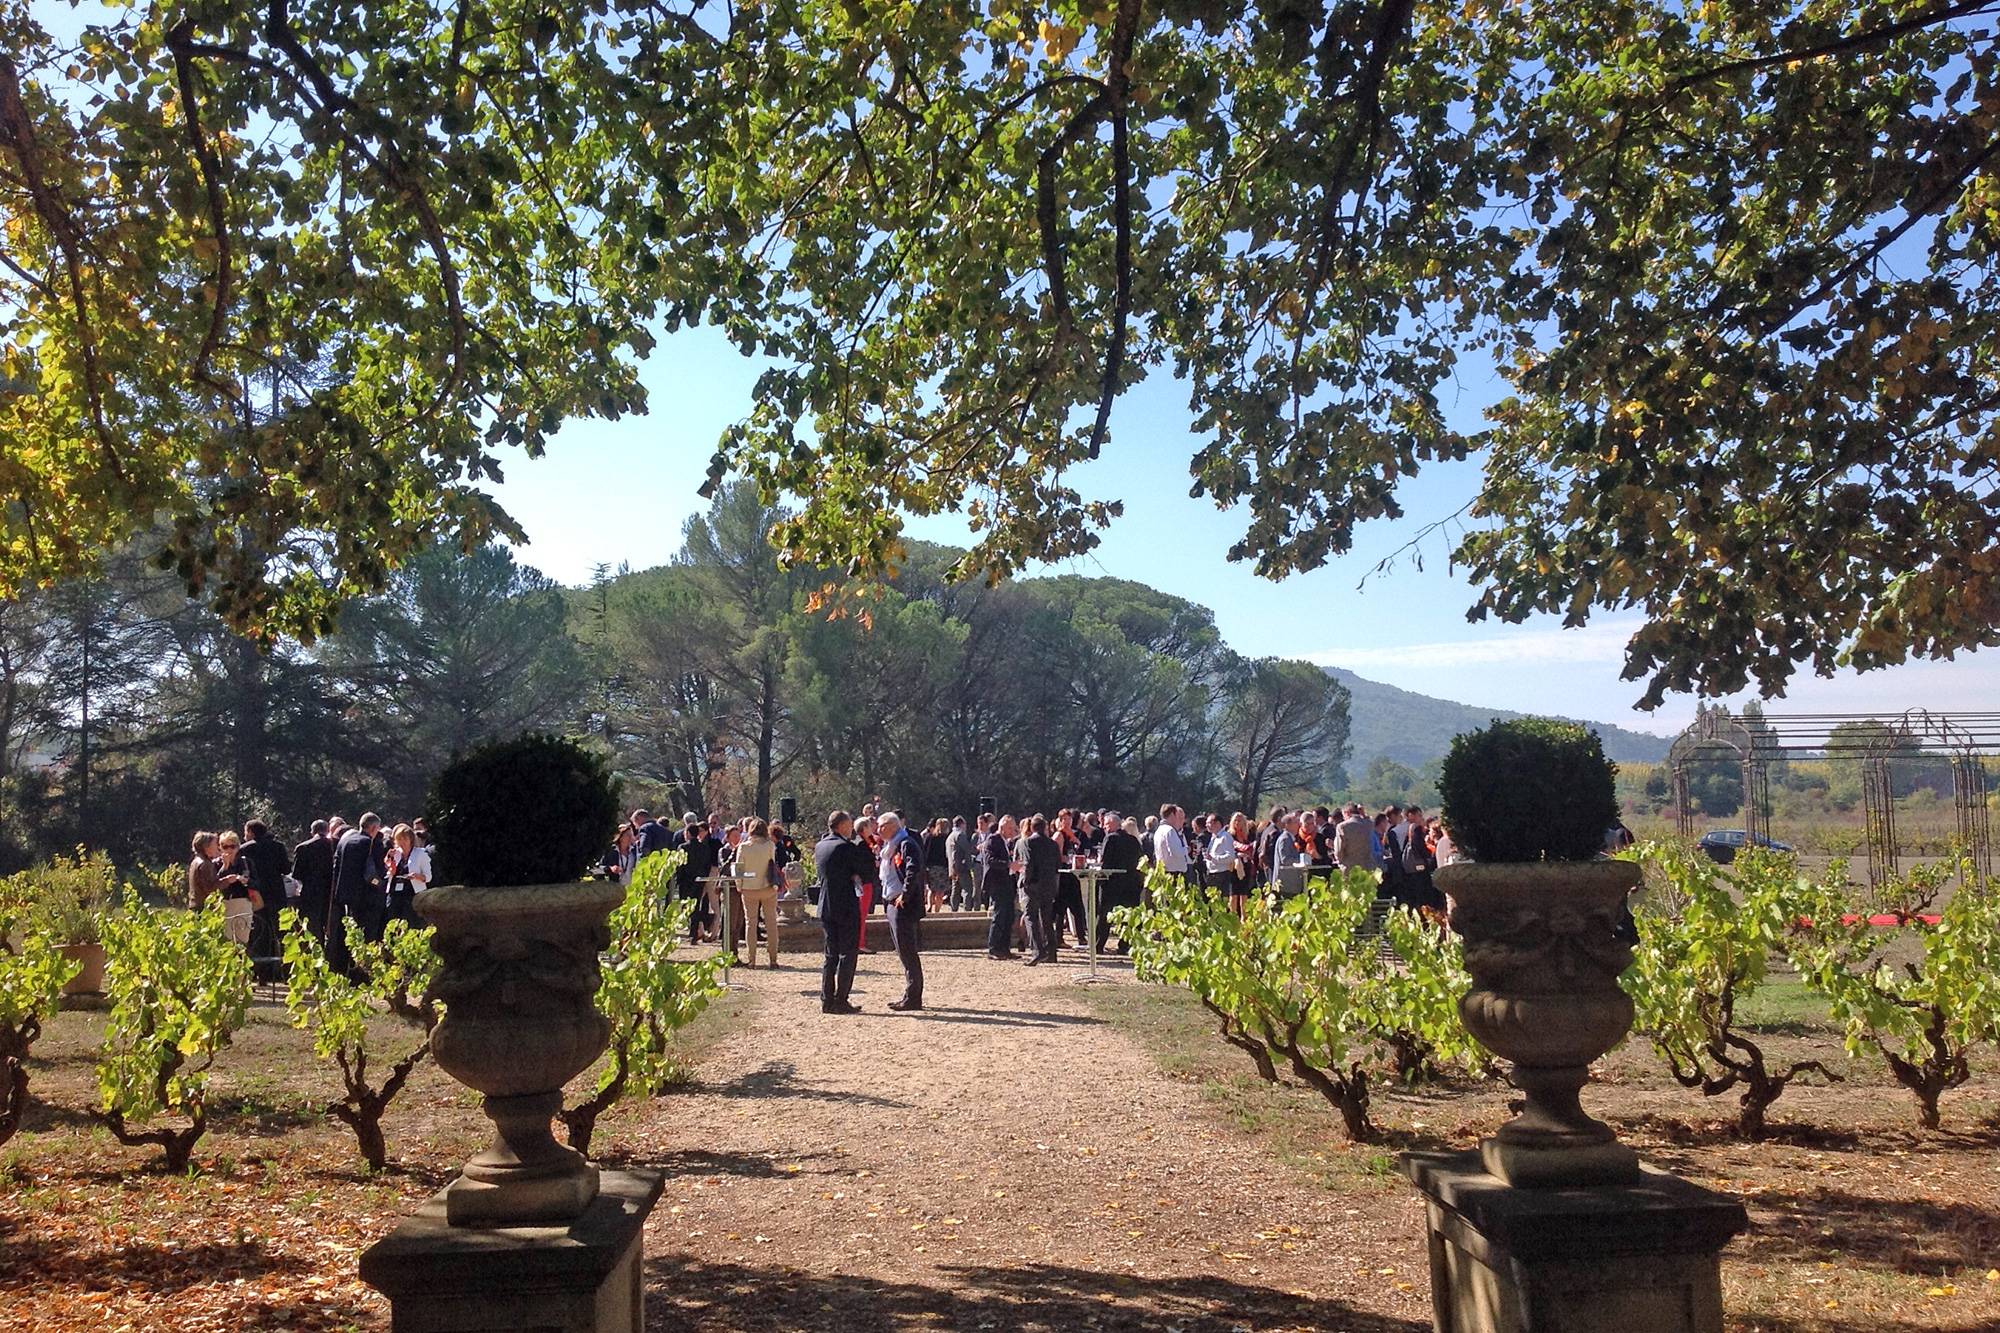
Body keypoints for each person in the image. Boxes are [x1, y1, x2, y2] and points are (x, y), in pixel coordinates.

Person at [813, 811, 867, 1013]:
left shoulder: (821, 846)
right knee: (848, 953)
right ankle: (841, 999)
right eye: (850, 824)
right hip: (845, 905)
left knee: (830, 955)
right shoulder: (846, 847)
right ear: (842, 825)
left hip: (826, 904)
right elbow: (863, 871)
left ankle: (827, 999)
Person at [877, 813, 925, 1011]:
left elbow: (914, 870)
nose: (878, 830)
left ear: (891, 826)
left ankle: (913, 997)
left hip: (902, 905)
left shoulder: (906, 844)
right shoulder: (890, 847)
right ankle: (910, 994)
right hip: (891, 902)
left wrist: (905, 895)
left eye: (881, 826)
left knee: (908, 952)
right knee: (902, 951)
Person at [331, 813, 388, 973]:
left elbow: (336, 867)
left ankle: (344, 969)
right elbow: (372, 875)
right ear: (374, 828)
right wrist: (382, 886)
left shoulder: (345, 840)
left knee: (348, 935)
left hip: (346, 897)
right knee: (367, 936)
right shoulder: (370, 843)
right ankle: (362, 972)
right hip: (367, 899)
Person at [238, 819, 291, 968]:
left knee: (259, 932)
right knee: (280, 932)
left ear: (250, 832)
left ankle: (260, 969)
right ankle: (283, 967)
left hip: (256, 895)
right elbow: (286, 869)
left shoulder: (245, 849)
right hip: (276, 894)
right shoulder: (278, 846)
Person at [735, 818, 782, 968]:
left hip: (749, 888)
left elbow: (738, 869)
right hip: (768, 887)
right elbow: (772, 864)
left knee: (750, 923)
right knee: (771, 923)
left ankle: (752, 959)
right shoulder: (770, 845)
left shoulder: (743, 847)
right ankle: (773, 959)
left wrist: (739, 885)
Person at [1017, 814, 1063, 965]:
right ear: (1045, 828)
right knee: (1047, 919)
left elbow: (1028, 863)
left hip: (1033, 884)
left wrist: (1025, 882)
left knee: (1031, 917)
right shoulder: (1053, 844)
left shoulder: (1027, 842)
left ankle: (1038, 951)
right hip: (1049, 885)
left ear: (1032, 828)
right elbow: (1058, 865)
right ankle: (1052, 952)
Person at [1097, 816, 1145, 953]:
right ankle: (1124, 945)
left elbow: (1105, 862)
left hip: (1113, 882)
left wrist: (1101, 878)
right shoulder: (1134, 840)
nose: (1104, 827)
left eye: (1106, 824)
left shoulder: (1110, 838)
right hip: (1131, 883)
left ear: (1114, 824)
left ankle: (1099, 945)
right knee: (1127, 916)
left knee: (1105, 914)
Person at [978, 813, 1018, 960]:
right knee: (999, 915)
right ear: (1002, 827)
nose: (1013, 831)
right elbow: (990, 861)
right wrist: (1008, 865)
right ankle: (994, 948)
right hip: (997, 884)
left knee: (1008, 916)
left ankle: (1004, 948)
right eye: (1010, 828)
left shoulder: (1005, 842)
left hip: (1007, 883)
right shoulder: (993, 840)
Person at [292, 819, 336, 942]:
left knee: (312, 927)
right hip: (331, 892)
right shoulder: (335, 845)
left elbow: (297, 874)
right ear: (327, 831)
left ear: (312, 832)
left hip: (310, 892)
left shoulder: (302, 847)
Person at [214, 830, 257, 947]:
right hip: (224, 903)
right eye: (225, 847)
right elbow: (215, 884)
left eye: (232, 846)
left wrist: (246, 881)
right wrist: (225, 867)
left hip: (243, 903)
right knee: (226, 940)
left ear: (238, 847)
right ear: (220, 848)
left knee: (242, 940)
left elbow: (256, 883)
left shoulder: (246, 862)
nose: (229, 850)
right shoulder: (216, 864)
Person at [1206, 812, 1254, 915]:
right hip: (1233, 867)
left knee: (1244, 891)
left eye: (1240, 820)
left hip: (1244, 865)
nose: (1237, 822)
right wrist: (1238, 854)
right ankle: (1233, 914)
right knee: (1233, 892)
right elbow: (1232, 853)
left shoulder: (1246, 835)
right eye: (1235, 820)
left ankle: (1243, 916)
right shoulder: (1229, 835)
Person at [386, 823, 430, 927]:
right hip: (395, 895)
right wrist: (389, 859)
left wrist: (417, 876)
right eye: (399, 839)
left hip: (412, 894)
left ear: (411, 839)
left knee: (412, 924)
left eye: (404, 839)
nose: (402, 842)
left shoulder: (420, 853)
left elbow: (428, 877)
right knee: (394, 924)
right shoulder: (394, 853)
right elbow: (389, 872)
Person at [922, 817, 953, 914]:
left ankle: (929, 906)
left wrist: (925, 865)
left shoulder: (930, 837)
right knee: (940, 892)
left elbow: (925, 852)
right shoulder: (947, 839)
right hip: (943, 867)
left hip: (931, 867)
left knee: (932, 889)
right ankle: (937, 911)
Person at [186, 831, 223, 911]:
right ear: (206, 846)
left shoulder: (196, 861)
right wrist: (227, 880)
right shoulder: (205, 864)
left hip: (195, 905)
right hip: (203, 908)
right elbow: (210, 888)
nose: (217, 847)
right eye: (214, 844)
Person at [1152, 804, 1189, 882]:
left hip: (1164, 871)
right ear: (1172, 815)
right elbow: (1176, 852)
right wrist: (1187, 849)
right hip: (1174, 873)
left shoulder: (1159, 830)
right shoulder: (1170, 830)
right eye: (1177, 816)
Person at [947, 815, 977, 911]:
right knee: (968, 889)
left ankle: (953, 910)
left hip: (953, 868)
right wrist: (970, 865)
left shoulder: (949, 837)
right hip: (962, 867)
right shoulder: (960, 835)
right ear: (962, 824)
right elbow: (967, 850)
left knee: (955, 890)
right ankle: (967, 910)